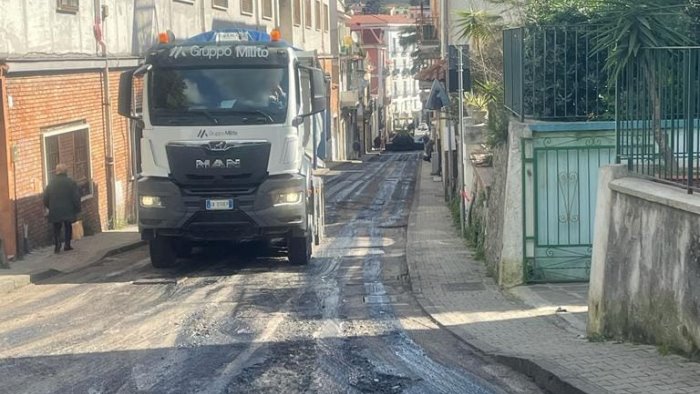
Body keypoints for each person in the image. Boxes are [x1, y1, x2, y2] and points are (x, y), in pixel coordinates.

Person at [43, 164, 81, 253]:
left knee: (56, 228)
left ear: (56, 172)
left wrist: (50, 207)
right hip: (68, 209)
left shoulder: (51, 184)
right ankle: (67, 245)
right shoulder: (71, 182)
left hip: (55, 210)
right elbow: (76, 197)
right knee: (68, 227)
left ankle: (57, 245)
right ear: (66, 172)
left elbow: (45, 197)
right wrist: (77, 208)